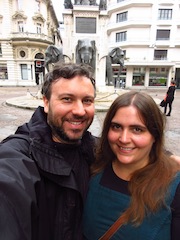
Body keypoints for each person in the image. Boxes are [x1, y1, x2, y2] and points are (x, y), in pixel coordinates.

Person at [0, 63, 96, 240]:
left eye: (87, 100)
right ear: (46, 102)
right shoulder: (18, 154)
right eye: (67, 99)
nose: (80, 111)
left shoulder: (97, 151)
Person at [83, 91, 180, 240]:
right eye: (116, 127)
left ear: (155, 135)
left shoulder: (174, 186)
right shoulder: (93, 164)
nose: (124, 138)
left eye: (137, 129)